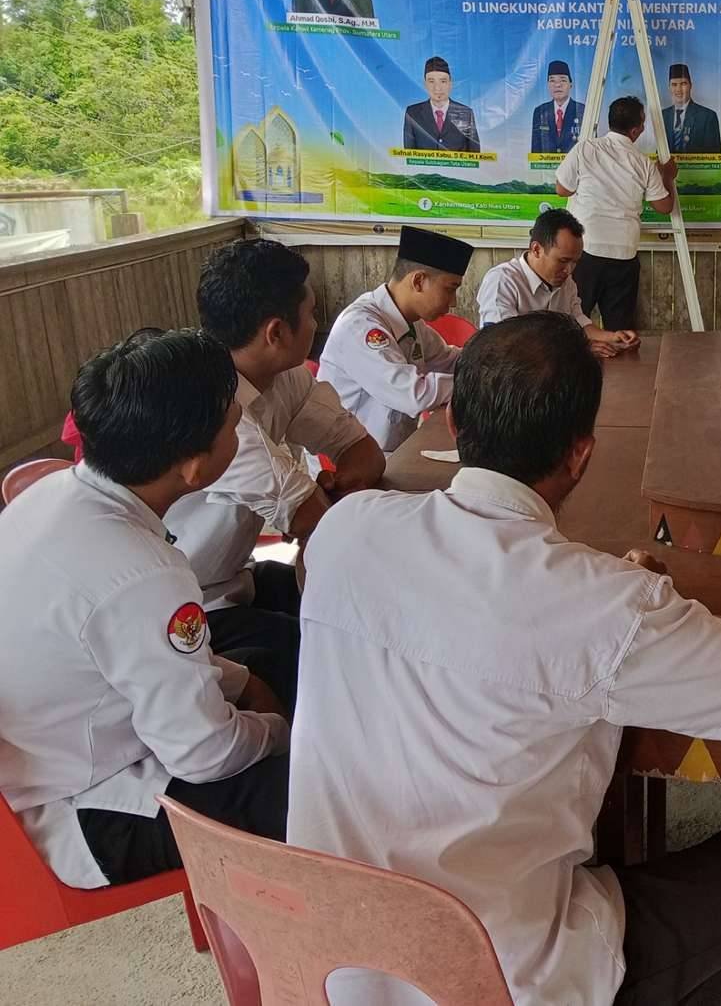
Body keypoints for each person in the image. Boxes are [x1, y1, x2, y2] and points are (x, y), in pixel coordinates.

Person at [288, 312, 721, 1006]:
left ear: (455, 426)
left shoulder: (345, 530)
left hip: (332, 963)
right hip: (501, 976)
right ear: (581, 454)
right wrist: (642, 597)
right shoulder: (608, 606)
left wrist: (610, 597)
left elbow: (464, 603)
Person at [0, 329, 292, 890]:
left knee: (261, 662)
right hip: (87, 811)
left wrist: (245, 684)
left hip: (53, 749)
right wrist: (278, 731)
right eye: (234, 425)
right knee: (315, 787)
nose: (241, 429)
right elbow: (202, 754)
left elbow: (126, 649)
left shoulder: (52, 494)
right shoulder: (143, 574)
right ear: (192, 466)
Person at [166, 240, 384, 662]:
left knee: (368, 611)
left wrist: (334, 488)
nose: (317, 324)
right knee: (330, 649)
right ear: (277, 333)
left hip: (235, 577)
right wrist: (320, 504)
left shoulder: (284, 377)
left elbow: (363, 450)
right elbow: (311, 518)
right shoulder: (209, 408)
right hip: (187, 607)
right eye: (312, 314)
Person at [318, 225, 475, 453]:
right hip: (347, 461)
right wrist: (480, 384)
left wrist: (490, 360)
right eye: (450, 289)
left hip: (392, 451)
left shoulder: (412, 323)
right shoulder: (361, 326)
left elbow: (449, 360)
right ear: (418, 281)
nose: (454, 302)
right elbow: (414, 394)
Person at [556, 96, 677, 331]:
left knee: (573, 324)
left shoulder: (585, 148)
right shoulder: (643, 163)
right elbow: (664, 207)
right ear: (635, 130)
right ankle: (620, 368)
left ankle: (574, 368)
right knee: (619, 330)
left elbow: (562, 189)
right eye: (642, 124)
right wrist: (668, 177)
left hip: (587, 250)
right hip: (624, 253)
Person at [477, 207, 641, 358]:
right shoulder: (502, 281)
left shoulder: (567, 282)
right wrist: (578, 349)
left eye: (575, 262)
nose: (569, 270)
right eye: (563, 260)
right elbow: (504, 343)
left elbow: (578, 321)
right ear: (536, 249)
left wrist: (613, 337)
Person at [402, 56, 480, 153]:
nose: (437, 88)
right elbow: (409, 155)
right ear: (425, 84)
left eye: (443, 81)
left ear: (450, 84)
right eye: (431, 81)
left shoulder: (466, 113)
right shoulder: (412, 113)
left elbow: (475, 155)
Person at [664, 63, 721, 154]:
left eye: (683, 84)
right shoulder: (663, 116)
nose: (678, 89)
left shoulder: (707, 117)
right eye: (674, 84)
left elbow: (713, 157)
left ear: (690, 85)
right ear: (669, 88)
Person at [531, 60, 584, 154]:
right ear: (548, 85)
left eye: (563, 80)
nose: (557, 85)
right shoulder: (540, 112)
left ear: (571, 84)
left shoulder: (582, 110)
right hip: (546, 167)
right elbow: (536, 150)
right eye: (552, 80)